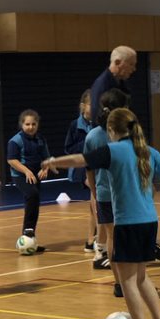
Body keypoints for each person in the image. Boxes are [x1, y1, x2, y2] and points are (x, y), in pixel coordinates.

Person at [42, 108, 160, 319]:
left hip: (127, 223)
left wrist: (54, 161)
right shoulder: (147, 150)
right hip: (150, 221)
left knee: (126, 279)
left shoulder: (113, 150)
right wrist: (158, 186)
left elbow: (80, 160)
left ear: (111, 130)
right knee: (141, 275)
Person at [90, 45, 160, 262]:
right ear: (118, 63)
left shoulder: (121, 84)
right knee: (114, 211)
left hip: (127, 152)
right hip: (117, 160)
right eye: (132, 64)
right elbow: (105, 129)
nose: (135, 69)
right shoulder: (103, 86)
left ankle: (142, 245)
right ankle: (107, 253)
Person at [84, 88, 131, 295]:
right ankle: (132, 283)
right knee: (128, 240)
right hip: (126, 194)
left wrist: (94, 193)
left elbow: (89, 170)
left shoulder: (92, 136)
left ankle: (119, 284)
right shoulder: (126, 134)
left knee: (112, 238)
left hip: (103, 195)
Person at [6, 109, 51, 253]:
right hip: (20, 176)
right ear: (21, 125)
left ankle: (30, 240)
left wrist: (45, 169)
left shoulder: (40, 139)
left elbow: (47, 158)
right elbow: (11, 160)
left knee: (34, 203)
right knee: (32, 195)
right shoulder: (15, 141)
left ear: (37, 124)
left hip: (35, 176)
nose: (30, 127)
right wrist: (26, 171)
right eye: (27, 124)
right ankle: (28, 231)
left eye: (33, 124)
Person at [63, 89, 96, 253]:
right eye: (92, 103)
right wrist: (87, 142)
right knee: (96, 203)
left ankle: (91, 240)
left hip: (98, 166)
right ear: (83, 106)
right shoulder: (75, 125)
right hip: (84, 168)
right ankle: (97, 239)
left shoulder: (100, 123)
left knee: (94, 204)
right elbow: (68, 148)